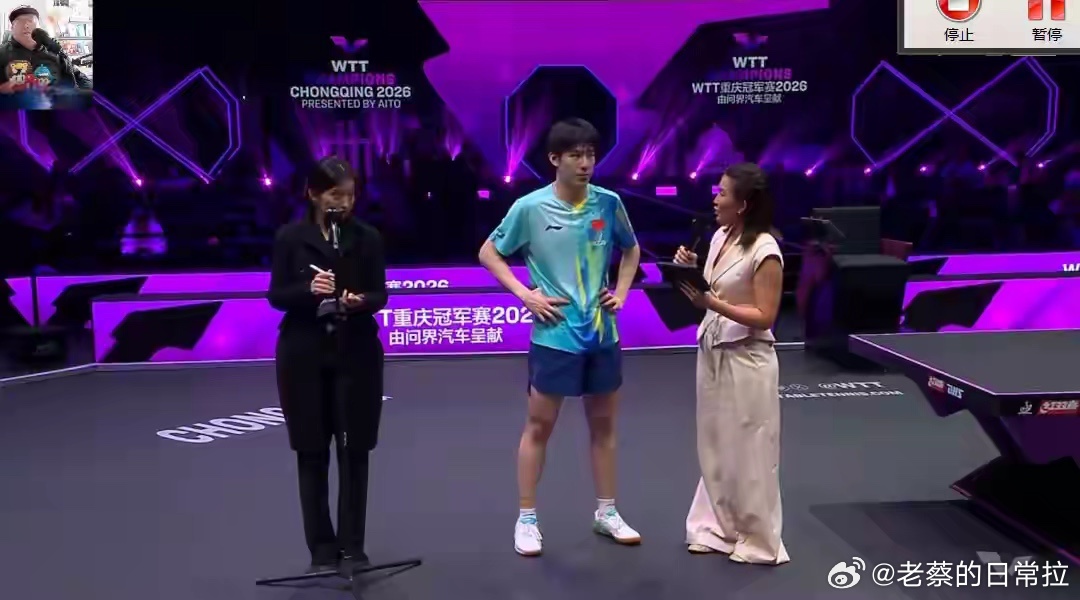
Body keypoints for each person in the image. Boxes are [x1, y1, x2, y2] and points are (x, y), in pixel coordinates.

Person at [478, 118, 643, 556]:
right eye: (576, 155)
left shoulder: (608, 203)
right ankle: (527, 519)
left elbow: (631, 248)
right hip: (554, 336)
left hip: (602, 335)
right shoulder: (530, 208)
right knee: (539, 427)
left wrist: (622, 292)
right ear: (555, 159)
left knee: (604, 427)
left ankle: (607, 512)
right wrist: (524, 294)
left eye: (591, 154)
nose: (586, 163)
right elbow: (489, 252)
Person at [268, 156, 387, 572]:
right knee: (312, 450)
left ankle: (353, 545)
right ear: (313, 193)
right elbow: (276, 295)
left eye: (350, 195)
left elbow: (380, 294)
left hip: (356, 352)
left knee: (355, 451)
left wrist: (359, 300)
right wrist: (308, 289)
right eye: (336, 195)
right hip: (303, 354)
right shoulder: (290, 238)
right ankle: (321, 547)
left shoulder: (367, 237)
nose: (344, 203)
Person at [673, 162, 789, 565]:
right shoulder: (720, 236)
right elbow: (714, 287)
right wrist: (690, 267)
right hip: (712, 351)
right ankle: (716, 528)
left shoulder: (766, 250)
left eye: (722, 193)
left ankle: (758, 540)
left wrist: (713, 304)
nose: (715, 199)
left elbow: (765, 315)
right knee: (716, 444)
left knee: (751, 450)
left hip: (748, 359)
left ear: (743, 204)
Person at [0, 6, 92, 93]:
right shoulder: (2, 54)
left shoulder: (54, 51)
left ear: (39, 27)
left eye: (31, 21)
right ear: (12, 28)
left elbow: (78, 77)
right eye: (20, 22)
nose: (26, 26)